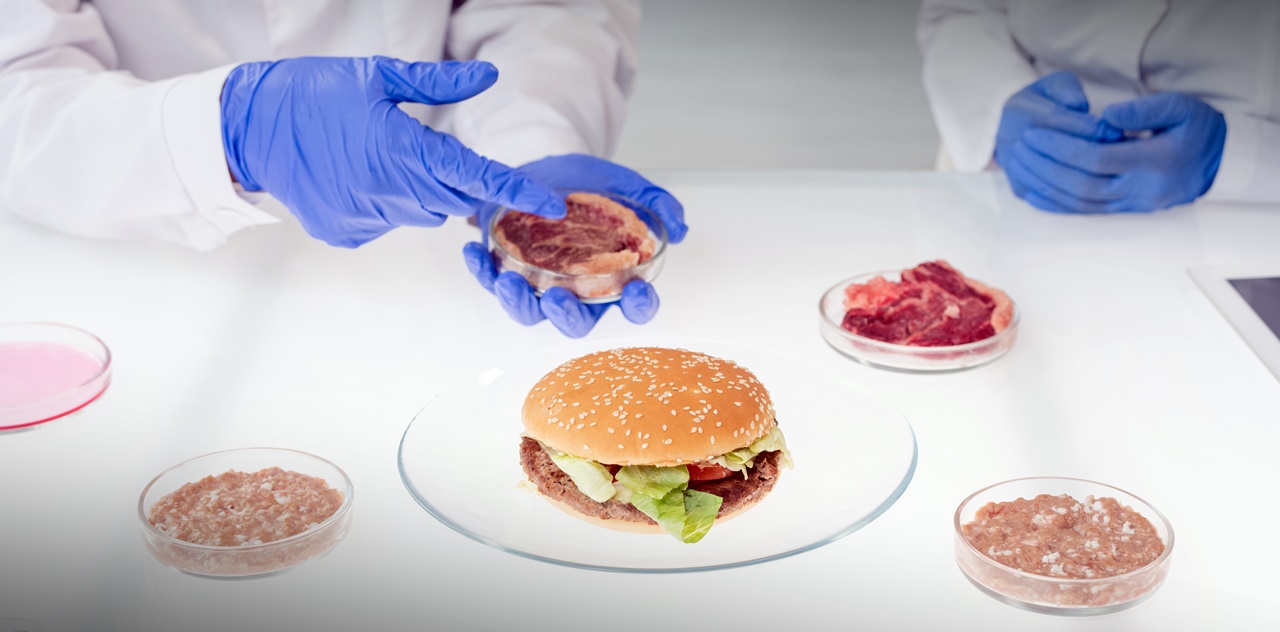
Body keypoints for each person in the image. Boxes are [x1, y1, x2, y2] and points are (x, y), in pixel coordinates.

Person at [0, 0, 686, 337]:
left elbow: (539, 9)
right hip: (130, 242)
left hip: (415, 236)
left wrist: (528, 138)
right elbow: (18, 79)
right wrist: (225, 128)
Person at [917, 0, 1280, 213]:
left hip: (1250, 208)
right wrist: (997, 102)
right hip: (1018, 174)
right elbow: (962, 11)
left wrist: (1238, 157)